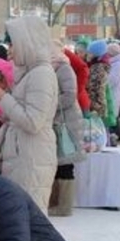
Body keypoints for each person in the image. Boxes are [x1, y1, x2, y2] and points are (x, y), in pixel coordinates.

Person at [0, 16, 58, 214]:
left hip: (31, 158)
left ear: (27, 42)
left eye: (12, 43)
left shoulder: (41, 74)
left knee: (27, 220)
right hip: (23, 156)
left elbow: (33, 121)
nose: (9, 49)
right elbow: (21, 112)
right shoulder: (30, 72)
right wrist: (5, 92)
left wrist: (3, 99)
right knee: (17, 220)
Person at [49, 41, 85, 217]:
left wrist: (49, 105)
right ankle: (55, 202)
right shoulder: (52, 67)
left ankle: (64, 206)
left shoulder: (64, 68)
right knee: (57, 162)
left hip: (66, 122)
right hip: (58, 121)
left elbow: (70, 95)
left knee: (65, 162)